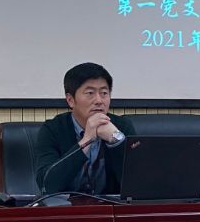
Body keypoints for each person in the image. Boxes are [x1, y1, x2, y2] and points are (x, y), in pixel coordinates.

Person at [34, 62, 136, 195]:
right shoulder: (52, 130)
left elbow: (140, 182)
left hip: (110, 206)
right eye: (90, 93)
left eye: (104, 93)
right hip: (67, 206)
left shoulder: (121, 126)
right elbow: (47, 185)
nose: (99, 100)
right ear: (70, 100)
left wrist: (116, 140)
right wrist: (86, 140)